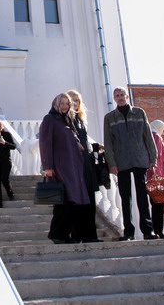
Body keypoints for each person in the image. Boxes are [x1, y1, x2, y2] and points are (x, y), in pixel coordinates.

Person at [103, 86, 158, 240]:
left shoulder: (139, 113)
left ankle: (148, 230)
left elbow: (148, 136)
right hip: (121, 162)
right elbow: (108, 142)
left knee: (142, 196)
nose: (120, 97)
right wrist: (111, 163)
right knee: (125, 198)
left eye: (122, 94)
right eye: (117, 95)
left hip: (140, 159)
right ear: (114, 98)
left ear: (127, 96)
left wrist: (153, 158)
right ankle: (128, 232)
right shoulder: (109, 118)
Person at [39, 93, 90, 243]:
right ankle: (57, 234)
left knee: (71, 201)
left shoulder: (66, 121)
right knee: (64, 201)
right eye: (62, 103)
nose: (64, 106)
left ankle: (64, 235)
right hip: (60, 167)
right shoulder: (49, 119)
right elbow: (45, 143)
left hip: (72, 167)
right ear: (55, 104)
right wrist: (47, 166)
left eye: (67, 104)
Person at [67, 89, 102, 242]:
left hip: (87, 163)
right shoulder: (66, 120)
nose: (75, 103)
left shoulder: (80, 119)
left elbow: (84, 141)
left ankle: (90, 235)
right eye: (72, 100)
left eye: (77, 100)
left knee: (89, 200)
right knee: (76, 201)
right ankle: (77, 235)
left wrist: (95, 147)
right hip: (74, 164)